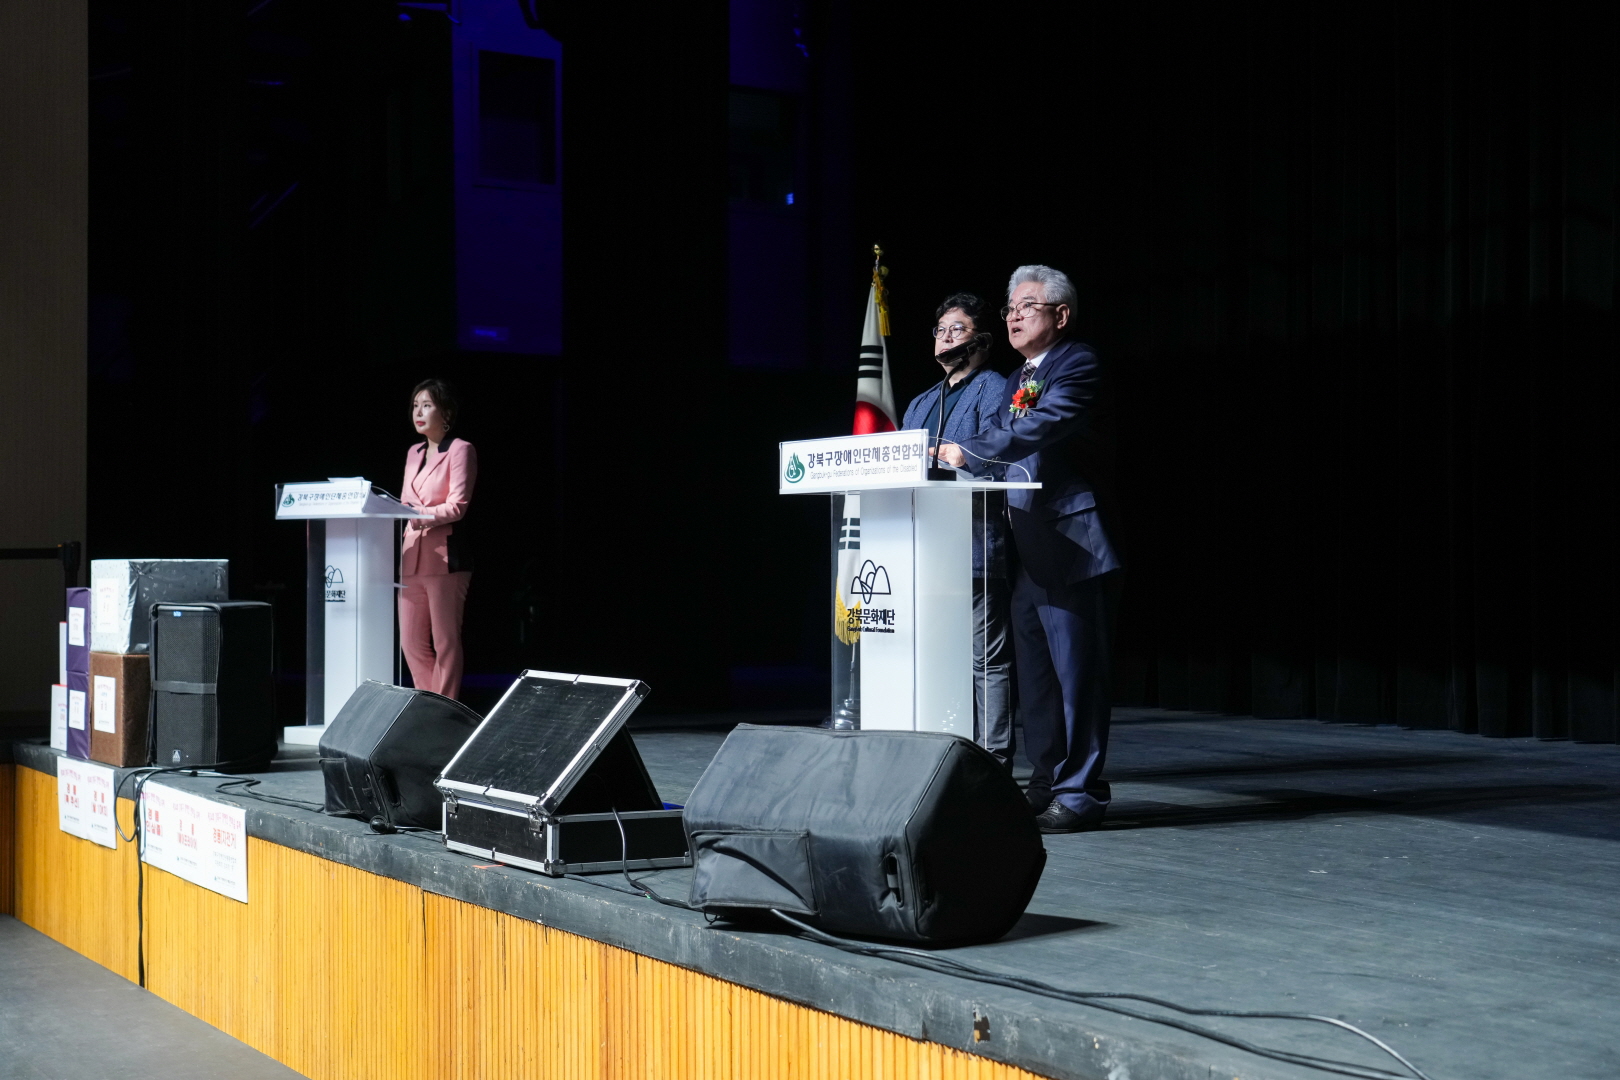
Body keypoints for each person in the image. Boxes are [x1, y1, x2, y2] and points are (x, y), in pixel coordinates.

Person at [935, 266, 1122, 833]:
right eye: (1010, 308)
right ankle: (1044, 786)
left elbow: (1043, 425)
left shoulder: (1076, 363)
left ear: (1060, 315)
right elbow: (1003, 444)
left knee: (1076, 678)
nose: (1013, 316)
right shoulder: (1020, 374)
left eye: (1027, 306)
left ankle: (1080, 793)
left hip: (1069, 543)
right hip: (1025, 547)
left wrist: (968, 451)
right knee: (1037, 681)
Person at [900, 292, 1016, 769]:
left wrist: (956, 456)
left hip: (972, 543)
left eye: (958, 329)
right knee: (933, 656)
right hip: (922, 548)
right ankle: (938, 754)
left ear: (982, 340)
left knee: (984, 659)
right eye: (940, 330)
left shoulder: (994, 387)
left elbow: (999, 452)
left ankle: (993, 760)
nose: (945, 338)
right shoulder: (921, 402)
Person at [398, 378, 477, 700]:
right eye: (415, 406)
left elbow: (457, 505)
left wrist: (417, 515)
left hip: (445, 558)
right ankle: (431, 706)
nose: (418, 412)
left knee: (445, 642)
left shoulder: (460, 450)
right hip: (410, 558)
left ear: (446, 412)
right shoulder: (413, 452)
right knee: (411, 642)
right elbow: (404, 500)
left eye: (427, 405)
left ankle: (444, 709)